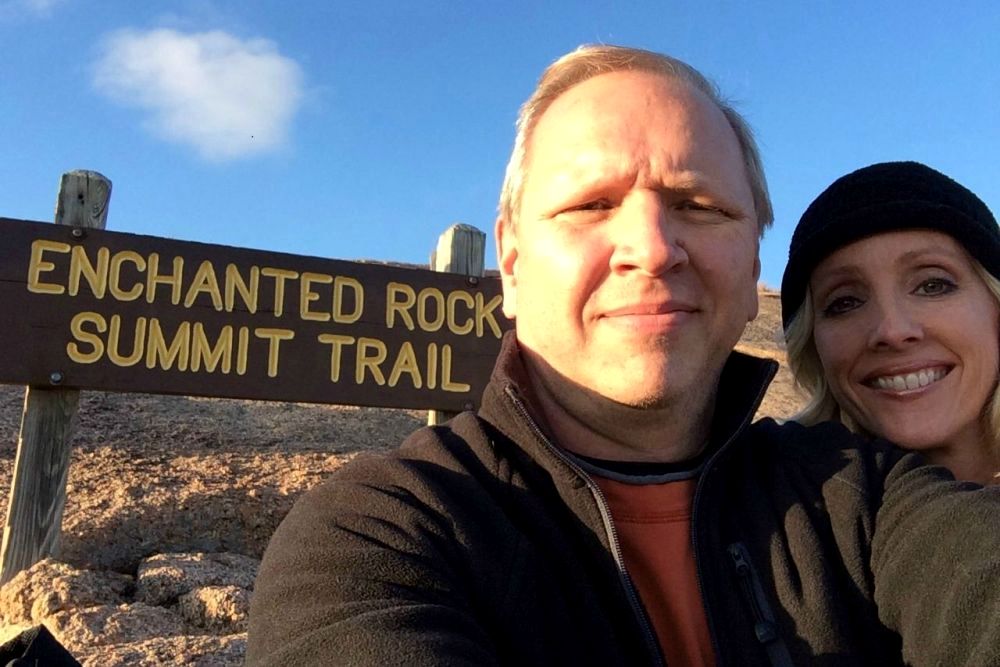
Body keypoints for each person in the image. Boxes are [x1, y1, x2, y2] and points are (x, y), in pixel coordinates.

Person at [247, 45, 1000, 666]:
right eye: (590, 205)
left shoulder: (861, 492)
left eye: (699, 207)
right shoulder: (382, 534)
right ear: (511, 263)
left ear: (749, 276)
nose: (651, 248)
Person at [781, 161, 1000, 485]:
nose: (892, 331)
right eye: (845, 302)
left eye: (932, 285)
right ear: (814, 346)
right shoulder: (774, 512)